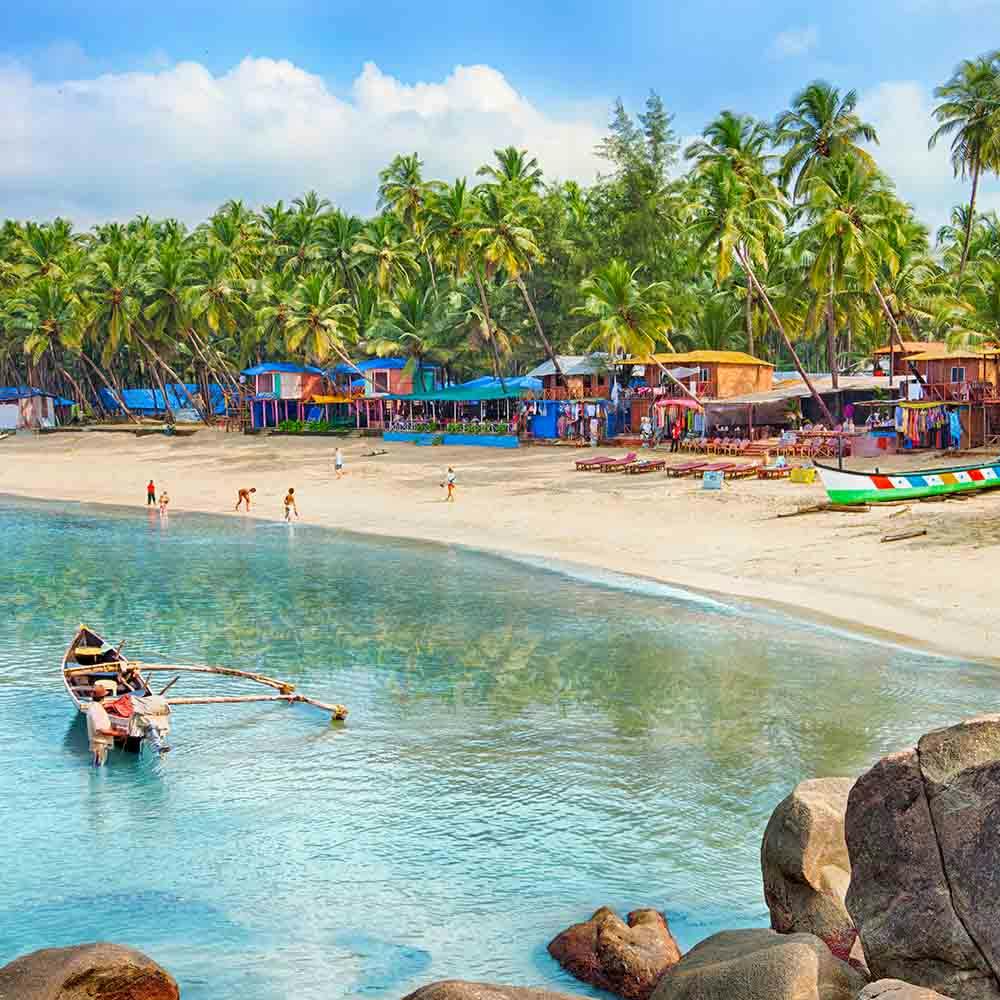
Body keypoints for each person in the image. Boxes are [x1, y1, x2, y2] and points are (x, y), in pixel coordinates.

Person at [87, 681, 117, 767]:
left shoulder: (93, 706)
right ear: (104, 697)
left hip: (98, 744)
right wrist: (119, 733)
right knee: (99, 768)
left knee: (97, 767)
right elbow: (101, 730)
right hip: (100, 745)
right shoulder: (97, 710)